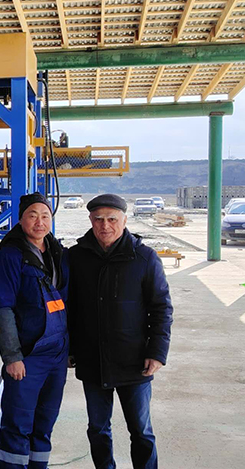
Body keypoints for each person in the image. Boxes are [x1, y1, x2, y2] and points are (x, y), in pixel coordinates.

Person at [68, 194, 173, 469]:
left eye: (112, 219)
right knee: (98, 429)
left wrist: (157, 352)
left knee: (141, 430)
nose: (105, 225)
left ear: (124, 221)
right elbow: (69, 308)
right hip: (92, 359)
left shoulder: (144, 258)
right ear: (90, 220)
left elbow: (161, 308)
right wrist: (70, 349)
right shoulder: (76, 257)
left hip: (134, 361)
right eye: (99, 219)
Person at [0, 192, 69, 469]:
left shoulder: (57, 253)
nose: (39, 222)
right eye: (32, 216)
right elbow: (1, 309)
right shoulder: (9, 257)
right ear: (21, 219)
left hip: (57, 355)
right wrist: (12, 356)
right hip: (28, 355)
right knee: (17, 426)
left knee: (44, 424)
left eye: (45, 216)